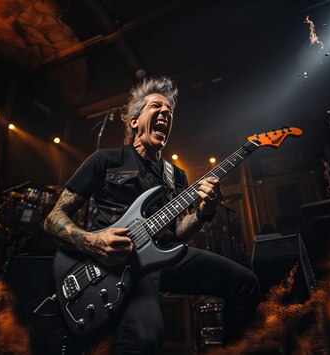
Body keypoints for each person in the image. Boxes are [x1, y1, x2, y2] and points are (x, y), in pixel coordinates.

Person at [44, 77, 260, 353]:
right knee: (144, 339)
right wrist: (93, 241)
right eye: (157, 106)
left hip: (164, 256)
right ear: (134, 121)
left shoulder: (176, 176)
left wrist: (205, 212)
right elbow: (53, 219)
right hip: (117, 264)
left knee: (245, 283)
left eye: (170, 110)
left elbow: (180, 231)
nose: (166, 113)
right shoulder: (106, 160)